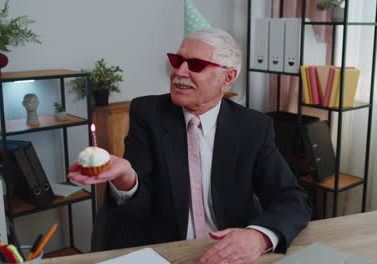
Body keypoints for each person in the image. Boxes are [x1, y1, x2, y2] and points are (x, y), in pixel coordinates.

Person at [69, 28, 311, 264]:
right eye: (177, 61)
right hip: (168, 251)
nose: (179, 72)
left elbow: (291, 199)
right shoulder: (148, 114)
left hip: (229, 252)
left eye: (195, 65)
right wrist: (126, 178)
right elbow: (137, 212)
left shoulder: (253, 127)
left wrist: (259, 238)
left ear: (227, 78)